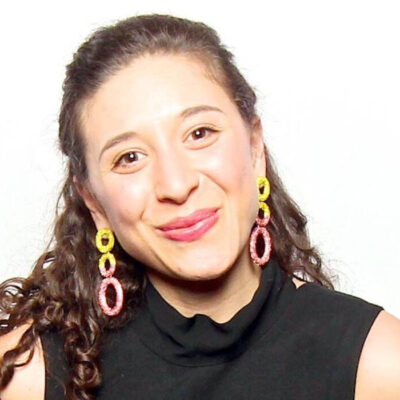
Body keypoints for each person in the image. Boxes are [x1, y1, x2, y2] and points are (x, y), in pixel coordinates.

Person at [0, 13, 399, 400]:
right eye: (130, 157)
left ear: (254, 148)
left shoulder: (379, 364)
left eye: (200, 133)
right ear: (93, 202)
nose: (176, 185)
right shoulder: (26, 377)